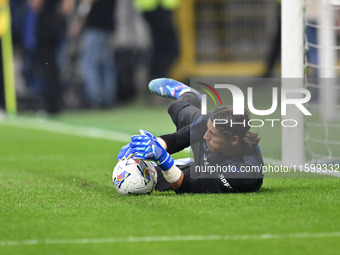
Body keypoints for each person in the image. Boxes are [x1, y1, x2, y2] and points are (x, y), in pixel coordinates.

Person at [117, 78, 264, 194]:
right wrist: (152, 145)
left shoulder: (243, 173)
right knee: (176, 108)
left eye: (213, 134)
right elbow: (175, 140)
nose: (205, 136)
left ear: (234, 140)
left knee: (158, 179)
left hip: (213, 170)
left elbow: (189, 187)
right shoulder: (209, 123)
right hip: (211, 157)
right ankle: (188, 93)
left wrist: (163, 160)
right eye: (207, 130)